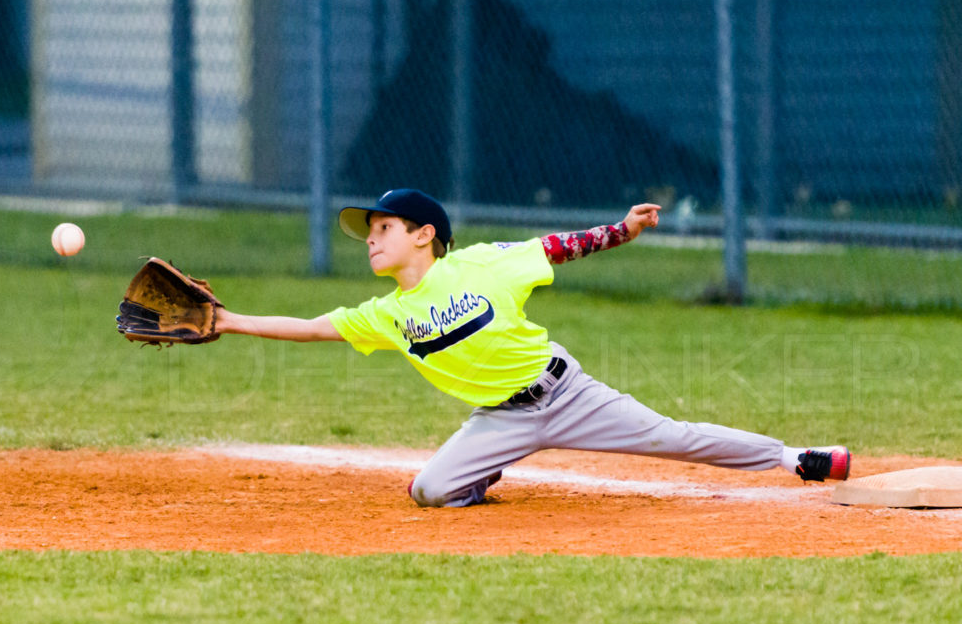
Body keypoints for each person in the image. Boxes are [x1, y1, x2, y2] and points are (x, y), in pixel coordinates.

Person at [216, 188, 851, 507]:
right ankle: (481, 470)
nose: (371, 240)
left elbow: (557, 246)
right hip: (499, 419)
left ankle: (796, 456)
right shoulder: (388, 314)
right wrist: (228, 319)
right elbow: (312, 326)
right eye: (368, 233)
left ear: (425, 235)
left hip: (567, 393)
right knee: (429, 493)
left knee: (671, 436)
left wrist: (623, 231)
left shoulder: (484, 264)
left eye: (383, 229)